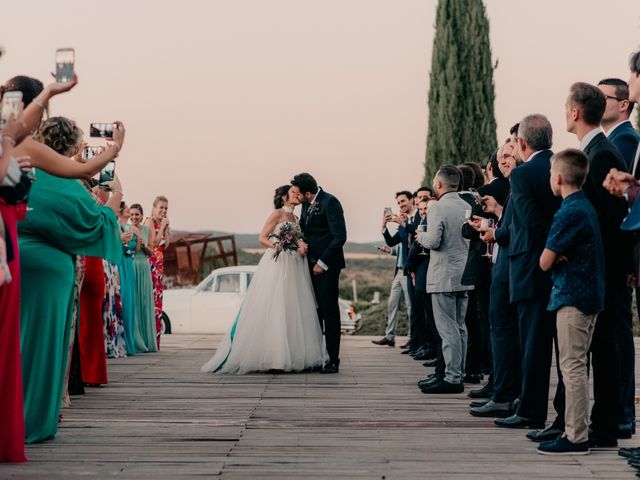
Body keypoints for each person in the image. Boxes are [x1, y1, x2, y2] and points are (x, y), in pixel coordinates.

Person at [19, 116, 123, 443]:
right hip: (49, 272)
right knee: (42, 347)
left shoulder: (18, 169)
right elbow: (98, 222)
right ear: (74, 147)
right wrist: (115, 195)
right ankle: (33, 421)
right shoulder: (67, 185)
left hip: (10, 261)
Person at [564, 82, 632, 447]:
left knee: (604, 346)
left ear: (575, 113)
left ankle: (605, 426)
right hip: (598, 267)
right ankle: (597, 423)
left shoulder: (601, 154)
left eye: (566, 106)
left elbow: (611, 219)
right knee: (599, 346)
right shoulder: (596, 150)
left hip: (602, 267)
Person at [201, 185, 326, 374]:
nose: (297, 195)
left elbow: (298, 237)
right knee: (276, 305)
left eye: (298, 193)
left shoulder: (296, 218)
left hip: (294, 265)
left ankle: (296, 355)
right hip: (278, 263)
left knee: (293, 308)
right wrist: (278, 245)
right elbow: (262, 237)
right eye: (294, 192)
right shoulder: (276, 214)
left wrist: (301, 245)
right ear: (285, 197)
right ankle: (275, 357)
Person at [535, 149, 605, 455]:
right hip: (588, 295)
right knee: (577, 366)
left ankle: (576, 436)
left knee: (572, 367)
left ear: (560, 177)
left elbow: (544, 261)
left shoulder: (568, 211)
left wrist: (556, 256)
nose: (550, 178)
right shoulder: (585, 206)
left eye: (551, 173)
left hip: (572, 297)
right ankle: (576, 429)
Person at [494, 114, 561, 431]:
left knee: (533, 345)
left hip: (530, 267)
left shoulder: (522, 176)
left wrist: (552, 248)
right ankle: (552, 411)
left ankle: (531, 411)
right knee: (558, 349)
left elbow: (531, 222)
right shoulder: (560, 166)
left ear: (522, 143)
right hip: (558, 267)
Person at [598, 77, 639, 438]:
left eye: (603, 97)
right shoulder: (617, 140)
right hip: (621, 254)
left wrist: (627, 264)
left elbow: (620, 205)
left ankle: (623, 411)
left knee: (617, 332)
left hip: (620, 254)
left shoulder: (624, 140)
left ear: (623, 104)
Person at [469, 138, 521, 417]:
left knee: (502, 331)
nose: (505, 160)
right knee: (499, 330)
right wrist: (498, 214)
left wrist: (494, 231)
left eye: (509, 155)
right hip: (500, 264)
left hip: (512, 268)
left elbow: (521, 229)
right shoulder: (511, 189)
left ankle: (504, 394)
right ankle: (502, 389)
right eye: (502, 157)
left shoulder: (521, 182)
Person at [419, 165, 472, 394]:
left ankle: (451, 378)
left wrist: (419, 235)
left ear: (439, 185)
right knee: (460, 326)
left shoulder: (438, 208)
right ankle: (458, 372)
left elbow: (433, 241)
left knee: (447, 328)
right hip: (465, 273)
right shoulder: (468, 205)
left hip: (443, 276)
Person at [291, 173, 347, 374]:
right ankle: (316, 356)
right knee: (315, 312)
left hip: (327, 266)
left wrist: (322, 263)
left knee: (329, 312)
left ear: (308, 193)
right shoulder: (307, 205)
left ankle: (333, 360)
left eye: (298, 193)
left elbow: (339, 236)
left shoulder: (330, 202)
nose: (296, 197)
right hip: (308, 265)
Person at [372, 191, 417, 351]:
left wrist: (403, 224)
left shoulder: (413, 221)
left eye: (403, 201)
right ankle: (390, 337)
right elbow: (392, 242)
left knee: (411, 306)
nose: (401, 205)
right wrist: (384, 227)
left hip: (409, 270)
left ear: (412, 200)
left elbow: (411, 241)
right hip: (399, 271)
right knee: (392, 304)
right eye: (398, 203)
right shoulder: (404, 223)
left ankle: (412, 339)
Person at [130, 204, 158, 353]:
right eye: (132, 214)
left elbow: (151, 252)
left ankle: (147, 340)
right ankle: (136, 340)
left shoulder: (146, 230)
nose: (134, 217)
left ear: (141, 216)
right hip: (131, 265)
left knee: (145, 301)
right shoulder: (126, 229)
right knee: (134, 301)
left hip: (143, 265)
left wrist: (142, 242)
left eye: (137, 215)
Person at [598, 78, 639, 170]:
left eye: (602, 98)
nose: (594, 103)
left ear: (623, 105)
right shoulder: (616, 137)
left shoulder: (625, 138)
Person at [146, 196, 170, 349]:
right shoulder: (149, 221)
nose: (163, 211)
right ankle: (148, 339)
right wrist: (161, 227)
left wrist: (166, 228)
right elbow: (154, 242)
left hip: (159, 266)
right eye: (161, 207)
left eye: (166, 208)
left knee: (158, 303)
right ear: (154, 208)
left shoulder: (162, 223)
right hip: (151, 264)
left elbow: (165, 244)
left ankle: (156, 341)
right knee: (151, 301)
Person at [118, 202, 138, 356]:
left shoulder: (129, 228)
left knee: (130, 302)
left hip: (129, 264)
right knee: (123, 300)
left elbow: (135, 248)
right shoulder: (117, 226)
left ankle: (130, 342)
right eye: (125, 209)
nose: (128, 211)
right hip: (121, 264)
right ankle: (123, 342)